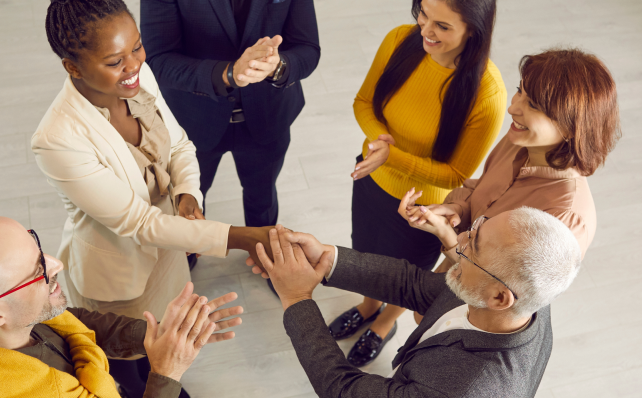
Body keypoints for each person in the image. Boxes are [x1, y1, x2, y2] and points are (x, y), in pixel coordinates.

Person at [37, 1, 270, 395]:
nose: (133, 66)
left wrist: (187, 194)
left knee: (164, 341)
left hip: (171, 247)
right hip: (119, 273)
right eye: (115, 61)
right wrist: (242, 237)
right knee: (128, 359)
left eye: (137, 47)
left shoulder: (139, 75)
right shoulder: (57, 138)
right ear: (72, 67)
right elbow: (138, 224)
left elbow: (178, 144)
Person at [250, 206, 581, 397]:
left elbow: (343, 390)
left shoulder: (460, 390)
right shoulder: (525, 294)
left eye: (473, 245)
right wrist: (327, 258)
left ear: (499, 298)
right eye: (476, 228)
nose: (458, 240)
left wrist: (297, 298)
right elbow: (418, 286)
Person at [336, 0, 507, 366]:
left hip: (423, 208)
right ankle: (367, 305)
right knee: (364, 251)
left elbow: (455, 174)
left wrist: (390, 155)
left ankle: (383, 324)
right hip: (372, 177)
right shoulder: (399, 40)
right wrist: (382, 144)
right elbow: (364, 102)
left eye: (442, 26)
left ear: (473, 30)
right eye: (423, 15)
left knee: (404, 275)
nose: (426, 31)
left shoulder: (486, 92)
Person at [0, 217, 243, 398]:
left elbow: (71, 323)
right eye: (38, 270)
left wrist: (156, 335)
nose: (57, 264)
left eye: (39, 249)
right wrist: (166, 373)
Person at [140, 0, 320, 294]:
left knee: (263, 195)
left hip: (268, 116)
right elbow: (158, 59)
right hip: (193, 121)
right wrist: (228, 74)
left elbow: (307, 48)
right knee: (191, 197)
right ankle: (191, 249)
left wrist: (279, 66)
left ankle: (264, 252)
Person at [404, 48, 620, 273]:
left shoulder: (564, 218)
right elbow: (482, 193)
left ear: (572, 128)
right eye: (520, 91)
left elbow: (503, 287)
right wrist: (458, 210)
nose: (512, 108)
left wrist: (448, 238)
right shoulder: (518, 140)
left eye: (533, 105)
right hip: (456, 266)